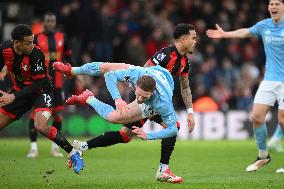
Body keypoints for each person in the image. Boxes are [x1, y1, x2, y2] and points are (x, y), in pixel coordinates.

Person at [54, 23, 196, 182]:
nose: (195, 41)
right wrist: (134, 90)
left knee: (125, 135)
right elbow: (146, 71)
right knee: (109, 70)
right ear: (183, 39)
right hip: (144, 93)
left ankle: (83, 146)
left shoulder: (185, 63)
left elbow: (185, 88)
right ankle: (73, 71)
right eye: (193, 38)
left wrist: (190, 112)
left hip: (154, 98)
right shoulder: (167, 54)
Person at [206, 0, 284, 173]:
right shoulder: (264, 25)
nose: (273, 7)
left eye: (277, 4)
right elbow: (246, 32)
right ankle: (263, 156)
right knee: (256, 117)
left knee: (282, 121)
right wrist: (225, 34)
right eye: (271, 4)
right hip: (270, 79)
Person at [0, 24, 83, 174]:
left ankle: (73, 153)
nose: (32, 45)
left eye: (32, 41)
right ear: (16, 43)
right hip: (20, 93)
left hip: (41, 92)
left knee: (41, 126)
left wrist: (13, 96)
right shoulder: (5, 49)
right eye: (28, 42)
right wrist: (5, 70)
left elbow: (39, 82)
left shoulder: (36, 54)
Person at [27, 12, 72, 158]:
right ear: (44, 22)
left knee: (58, 115)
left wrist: (72, 71)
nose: (50, 23)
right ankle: (33, 148)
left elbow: (69, 56)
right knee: (35, 114)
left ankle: (55, 147)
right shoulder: (36, 38)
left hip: (57, 84)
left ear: (55, 22)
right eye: (48, 21)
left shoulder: (62, 37)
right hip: (40, 83)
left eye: (52, 20)